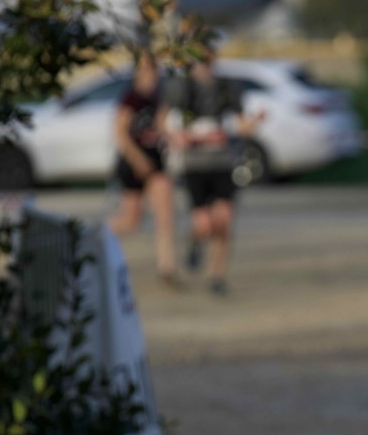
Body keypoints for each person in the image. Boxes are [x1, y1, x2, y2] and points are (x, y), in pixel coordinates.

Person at [165, 47, 264, 296]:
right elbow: (167, 125)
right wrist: (184, 137)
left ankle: (217, 276)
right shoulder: (182, 89)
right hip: (195, 165)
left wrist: (254, 123)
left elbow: (241, 125)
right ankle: (195, 240)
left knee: (224, 221)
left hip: (223, 162)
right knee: (205, 224)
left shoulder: (226, 88)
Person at [106, 50, 179, 286]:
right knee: (131, 221)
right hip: (133, 163)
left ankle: (166, 268)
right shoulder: (131, 99)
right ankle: (96, 235)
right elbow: (120, 134)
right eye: (146, 69)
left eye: (153, 69)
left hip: (155, 162)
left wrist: (174, 139)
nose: (150, 74)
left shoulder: (159, 97)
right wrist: (138, 160)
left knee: (165, 213)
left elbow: (161, 127)